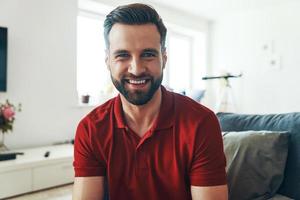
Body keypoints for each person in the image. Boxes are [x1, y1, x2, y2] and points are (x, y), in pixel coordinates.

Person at [73, 3, 228, 200]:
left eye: (148, 54)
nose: (136, 69)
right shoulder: (91, 129)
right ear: (107, 60)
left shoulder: (201, 123)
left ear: (164, 57)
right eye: (123, 55)